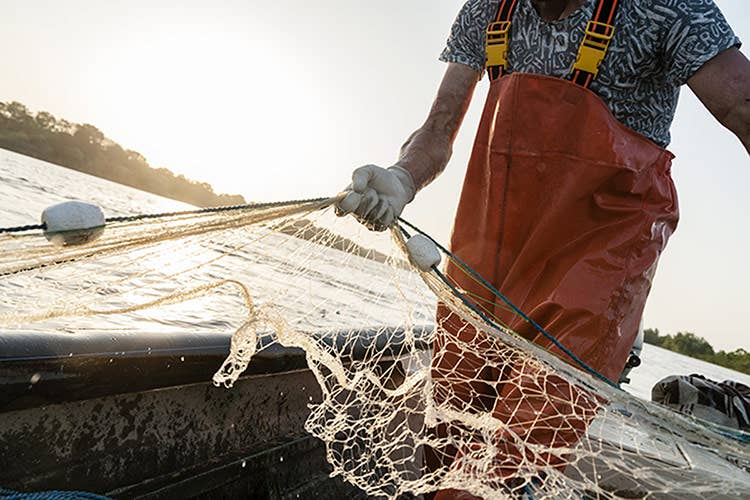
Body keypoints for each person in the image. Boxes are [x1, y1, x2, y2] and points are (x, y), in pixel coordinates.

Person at [336, 0, 748, 496]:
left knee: (509, 459)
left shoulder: (667, 9)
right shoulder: (487, 11)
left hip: (599, 266)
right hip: (489, 254)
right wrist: (403, 177)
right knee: (447, 431)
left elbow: (740, 105)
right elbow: (439, 130)